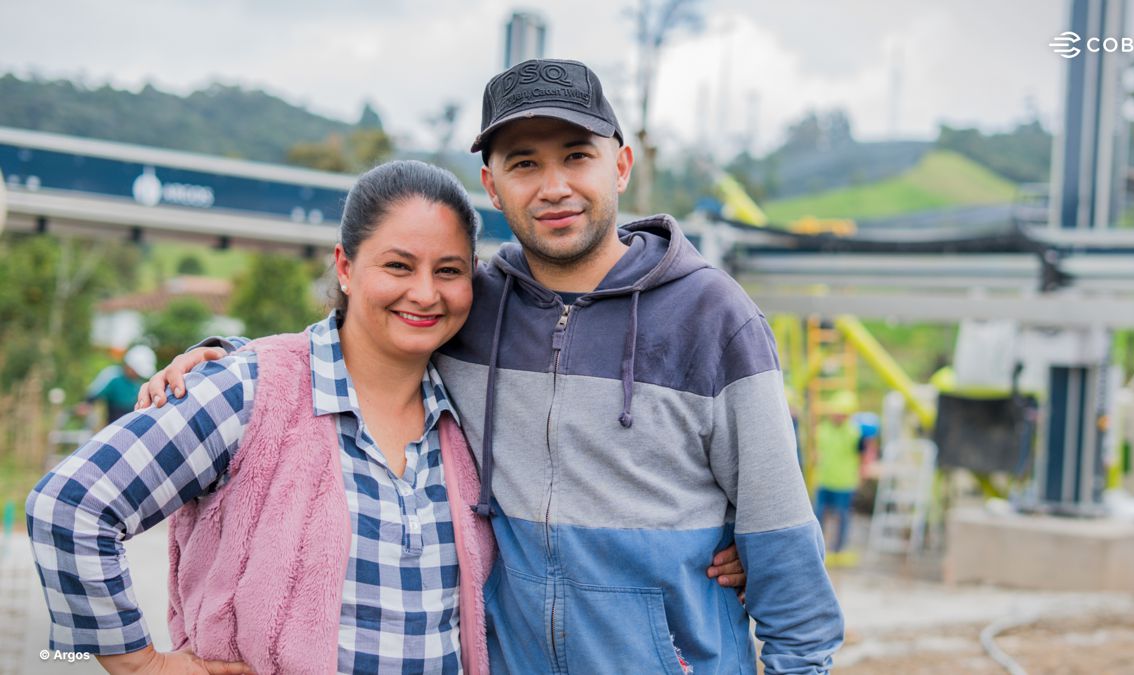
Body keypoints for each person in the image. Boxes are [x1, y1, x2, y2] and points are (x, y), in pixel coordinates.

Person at [145, 58, 841, 673]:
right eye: (525, 163)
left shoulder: (714, 317)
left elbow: (782, 543)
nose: (554, 185)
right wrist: (235, 361)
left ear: (620, 166)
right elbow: (362, 337)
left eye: (576, 156)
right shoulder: (467, 306)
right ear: (493, 184)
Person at [28, 161, 498, 674]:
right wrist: (142, 665)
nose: (426, 293)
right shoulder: (251, 390)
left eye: (448, 270)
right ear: (345, 266)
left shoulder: (469, 412)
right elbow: (69, 507)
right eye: (398, 266)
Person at [813, 390, 869, 567]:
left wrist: (861, 474)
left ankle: (839, 550)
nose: (839, 416)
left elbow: (862, 455)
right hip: (824, 480)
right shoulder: (822, 429)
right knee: (818, 516)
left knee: (842, 517)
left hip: (844, 483)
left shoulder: (855, 432)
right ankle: (817, 548)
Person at [76, 344, 157, 424]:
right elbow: (94, 394)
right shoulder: (113, 376)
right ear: (129, 365)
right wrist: (87, 404)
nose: (137, 375)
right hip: (113, 422)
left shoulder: (139, 383)